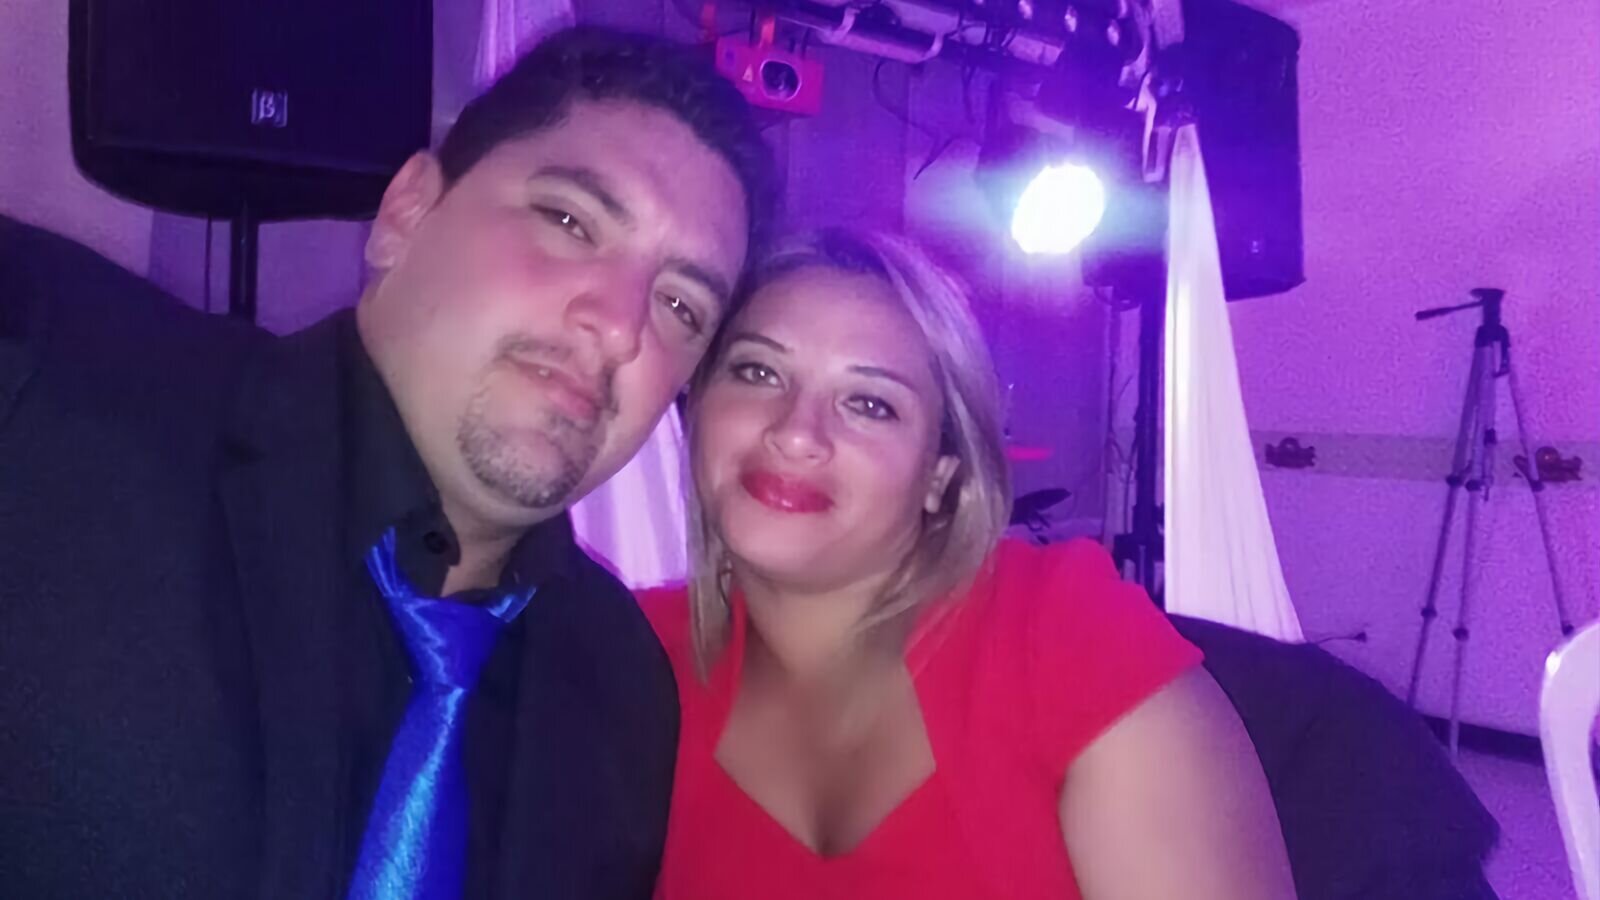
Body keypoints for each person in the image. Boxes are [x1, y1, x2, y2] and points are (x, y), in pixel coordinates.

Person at [0, 26, 774, 900]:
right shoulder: (45, 383)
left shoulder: (625, 694)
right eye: (568, 221)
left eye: (680, 305)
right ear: (407, 212)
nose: (621, 325)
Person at [639, 229, 1298, 899]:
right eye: (758, 372)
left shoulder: (1060, 636)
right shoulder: (628, 659)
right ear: (697, 404)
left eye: (869, 405)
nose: (795, 433)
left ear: (939, 476)